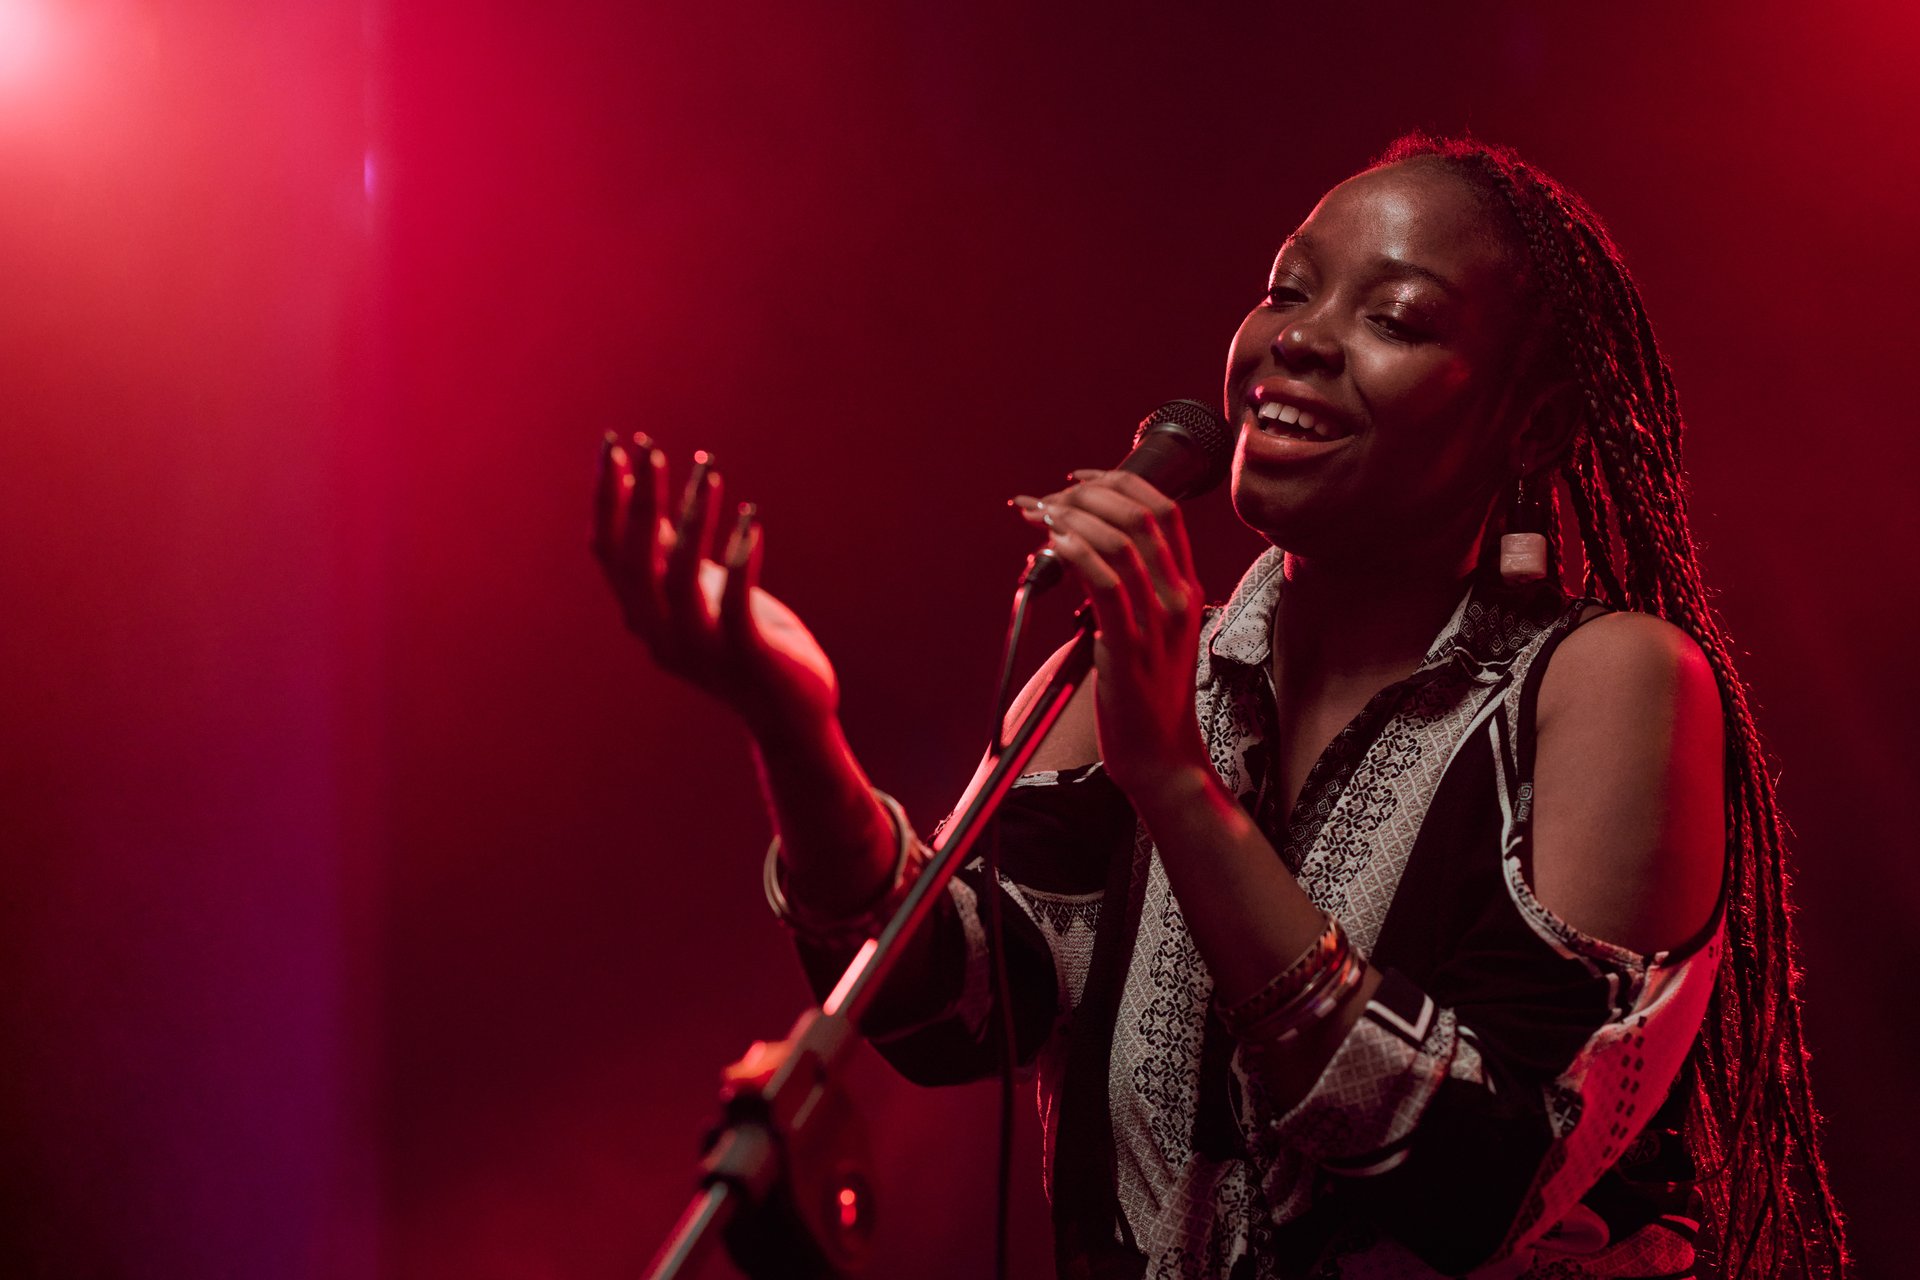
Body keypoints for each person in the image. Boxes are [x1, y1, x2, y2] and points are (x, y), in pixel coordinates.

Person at [592, 134, 1849, 1278]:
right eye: (1287, 289)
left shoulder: (1614, 682)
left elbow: (1475, 1170)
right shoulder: (1141, 670)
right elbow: (955, 1000)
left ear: (1534, 428)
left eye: (1393, 317)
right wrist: (794, 723)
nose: (1298, 339)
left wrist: (1179, 787)